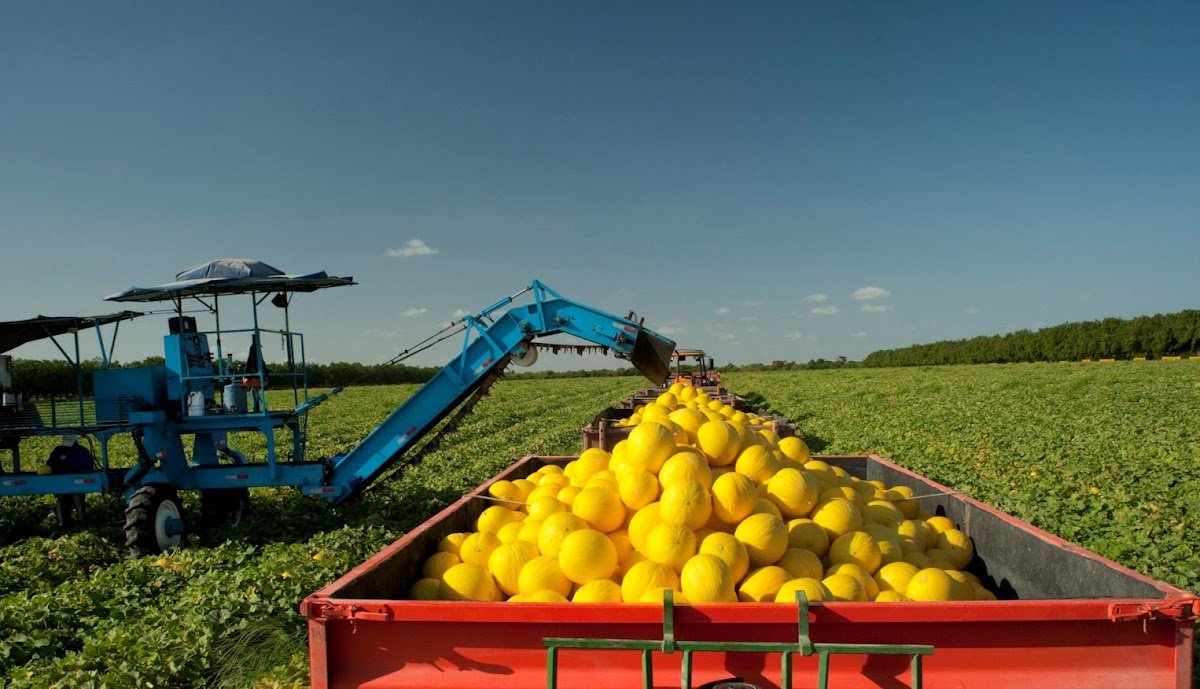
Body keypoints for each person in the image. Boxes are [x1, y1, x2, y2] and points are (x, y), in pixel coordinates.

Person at [45, 434, 93, 526]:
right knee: (63, 501)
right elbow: (50, 464)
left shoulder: (81, 451)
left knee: (78, 501)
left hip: (76, 482)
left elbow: (88, 466)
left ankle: (81, 522)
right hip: (62, 482)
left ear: (76, 442)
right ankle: (64, 523)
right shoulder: (58, 451)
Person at [242, 336, 269, 412]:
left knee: (245, 381)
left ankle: (256, 407)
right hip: (261, 381)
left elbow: (246, 377)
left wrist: (247, 378)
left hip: (250, 381)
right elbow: (267, 372)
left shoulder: (250, 362)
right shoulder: (261, 363)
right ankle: (257, 407)